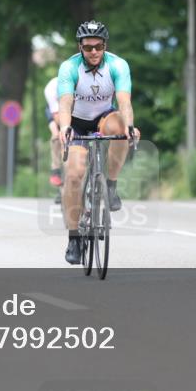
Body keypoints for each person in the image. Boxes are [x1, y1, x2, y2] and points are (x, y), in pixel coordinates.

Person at [57, 21, 140, 265]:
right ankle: (74, 237)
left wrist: (130, 125)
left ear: (105, 45)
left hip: (104, 117)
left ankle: (110, 184)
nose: (93, 51)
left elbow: (124, 101)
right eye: (88, 47)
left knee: (121, 128)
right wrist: (64, 127)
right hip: (77, 122)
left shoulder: (117, 65)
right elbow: (65, 103)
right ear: (80, 47)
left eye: (98, 46)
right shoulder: (69, 67)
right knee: (74, 174)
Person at [44, 76, 64, 204]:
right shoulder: (51, 88)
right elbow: (54, 117)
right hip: (56, 113)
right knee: (56, 137)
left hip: (77, 112)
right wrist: (58, 133)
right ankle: (56, 170)